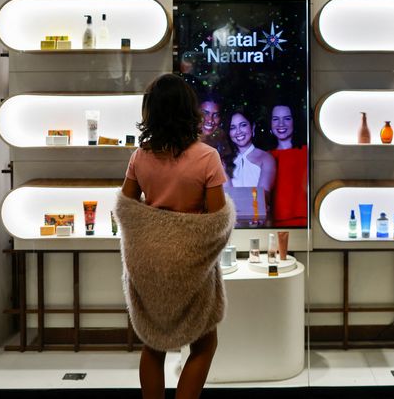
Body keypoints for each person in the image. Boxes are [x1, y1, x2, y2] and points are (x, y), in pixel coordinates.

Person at [116, 73, 234, 399]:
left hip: (150, 264)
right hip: (190, 266)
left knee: (154, 345)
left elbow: (126, 208)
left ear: (150, 112)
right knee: (204, 343)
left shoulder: (140, 157)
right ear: (189, 110)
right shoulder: (207, 157)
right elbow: (216, 221)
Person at [269, 103, 308, 227]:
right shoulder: (266, 156)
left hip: (305, 223)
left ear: (294, 121)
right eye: (276, 119)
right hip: (274, 224)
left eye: (287, 118)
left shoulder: (307, 152)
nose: (281, 124)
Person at [225, 108, 276, 192]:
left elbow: (263, 198)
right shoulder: (225, 162)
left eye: (243, 125)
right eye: (233, 127)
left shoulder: (266, 158)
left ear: (252, 127)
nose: (238, 131)